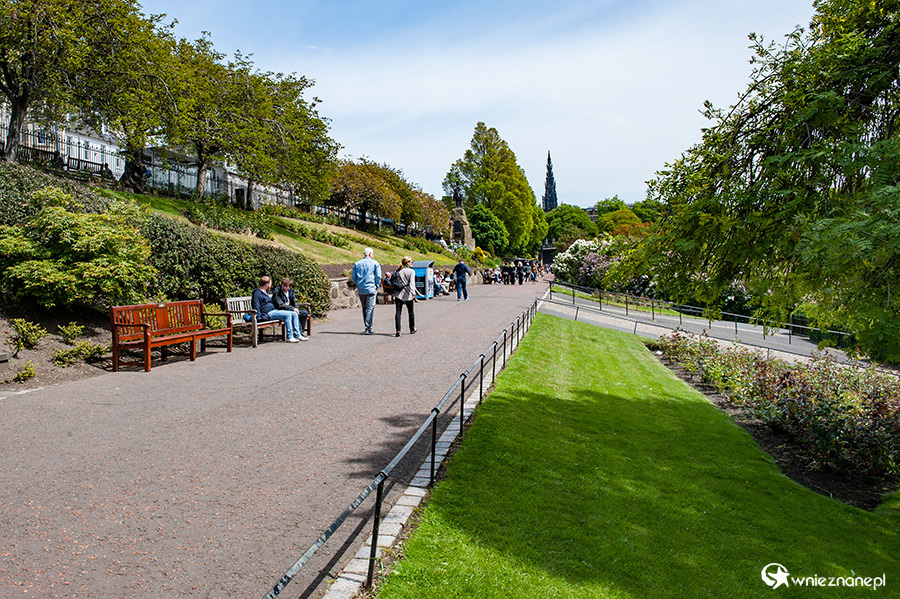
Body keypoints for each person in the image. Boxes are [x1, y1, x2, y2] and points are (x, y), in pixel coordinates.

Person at [252, 275, 303, 342]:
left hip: (273, 311)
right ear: (267, 284)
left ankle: (297, 334)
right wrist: (259, 316)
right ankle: (290, 336)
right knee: (288, 315)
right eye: (270, 283)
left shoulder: (265, 292)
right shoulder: (257, 293)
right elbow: (256, 305)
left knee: (294, 313)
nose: (271, 285)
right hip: (267, 313)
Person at [352, 247, 382, 335]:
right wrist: (376, 285)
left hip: (361, 289)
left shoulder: (357, 264)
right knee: (370, 308)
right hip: (371, 288)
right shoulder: (375, 263)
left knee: (364, 308)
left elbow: (353, 277)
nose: (373, 255)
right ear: (369, 254)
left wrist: (358, 284)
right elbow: (379, 277)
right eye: (372, 254)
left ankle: (366, 325)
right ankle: (368, 327)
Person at [392, 257, 418, 336]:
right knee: (411, 312)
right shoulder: (411, 271)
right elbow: (412, 283)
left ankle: (398, 330)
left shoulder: (398, 271)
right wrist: (413, 293)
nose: (412, 263)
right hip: (408, 293)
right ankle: (412, 328)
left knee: (398, 312)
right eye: (411, 262)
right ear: (407, 263)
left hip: (398, 293)